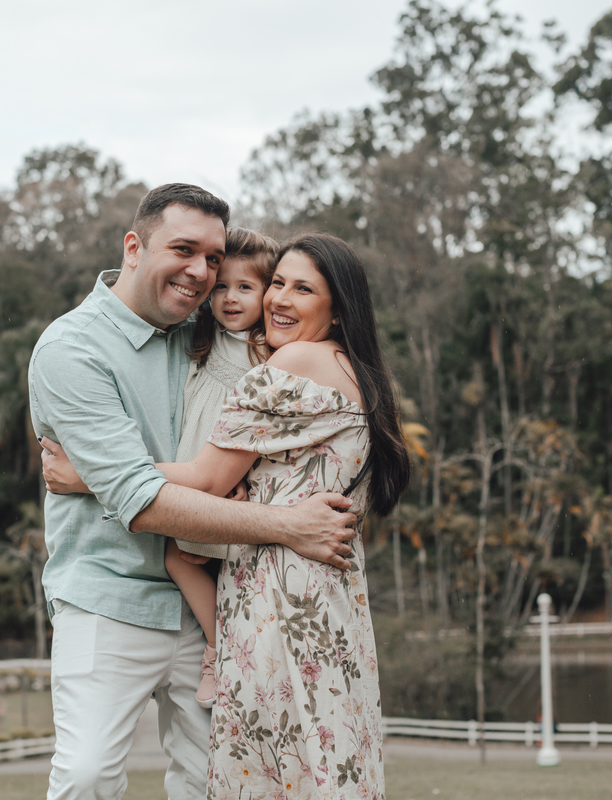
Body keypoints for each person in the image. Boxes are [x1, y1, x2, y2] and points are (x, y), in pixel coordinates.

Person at [43, 232, 410, 799]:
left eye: (303, 289)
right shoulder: (354, 370)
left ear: (338, 309)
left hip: (276, 597)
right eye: (279, 283)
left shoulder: (295, 361)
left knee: (268, 767)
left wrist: (88, 476)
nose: (279, 299)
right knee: (324, 756)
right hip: (330, 598)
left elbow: (207, 478)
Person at [166, 227, 278, 709]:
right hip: (191, 474)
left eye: (245, 287)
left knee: (197, 561)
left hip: (222, 480)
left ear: (267, 293)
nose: (230, 298)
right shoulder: (202, 336)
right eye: (222, 287)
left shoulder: (268, 352)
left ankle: (221, 650)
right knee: (181, 559)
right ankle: (220, 644)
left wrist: (241, 484)